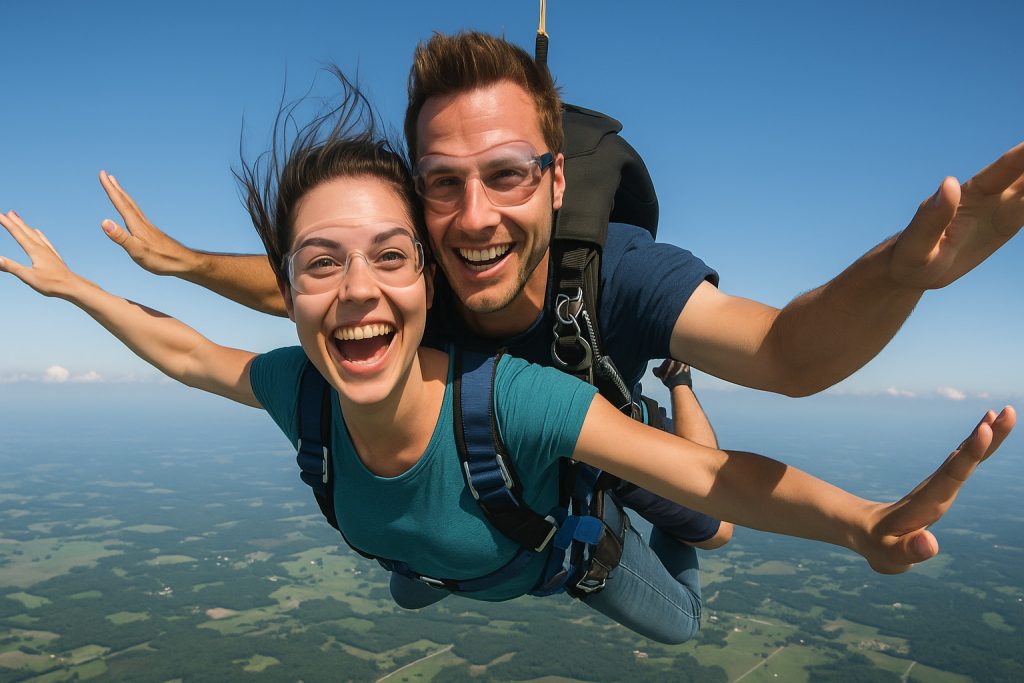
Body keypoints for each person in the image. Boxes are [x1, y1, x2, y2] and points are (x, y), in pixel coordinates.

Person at [0, 88, 1015, 644]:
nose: (356, 291)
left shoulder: (535, 375)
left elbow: (731, 447)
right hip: (455, 539)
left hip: (574, 502)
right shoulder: (311, 378)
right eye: (320, 265)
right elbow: (201, 343)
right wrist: (91, 285)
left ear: (427, 275)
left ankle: (671, 383)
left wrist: (857, 520)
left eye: (389, 258)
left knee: (697, 556)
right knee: (415, 579)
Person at [88, 32, 1023, 552]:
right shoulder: (415, 271)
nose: (475, 217)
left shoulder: (618, 271)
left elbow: (786, 355)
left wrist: (896, 278)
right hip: (515, 439)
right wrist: (184, 263)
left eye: (506, 174)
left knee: (716, 533)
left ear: (556, 181)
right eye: (443, 183)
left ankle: (677, 380)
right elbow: (305, 287)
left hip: (606, 426)